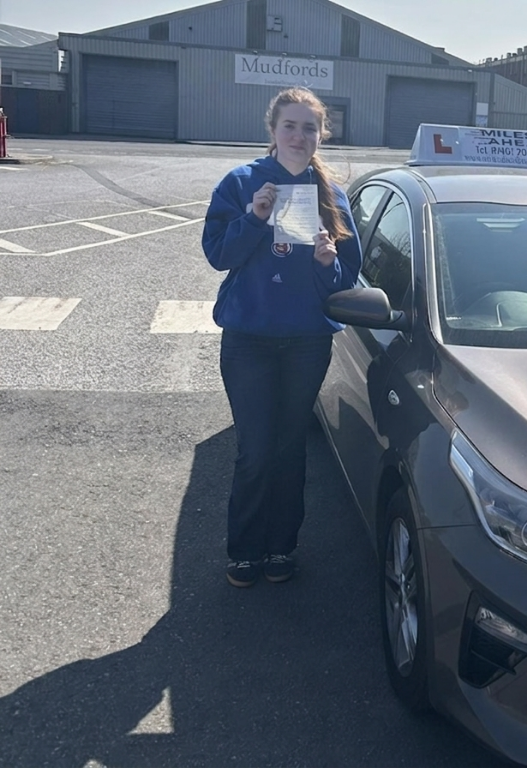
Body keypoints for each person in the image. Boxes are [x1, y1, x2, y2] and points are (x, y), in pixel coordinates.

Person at [202, 87, 362, 587]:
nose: (299, 136)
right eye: (290, 126)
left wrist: (326, 264)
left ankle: (281, 547)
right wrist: (253, 219)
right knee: (255, 448)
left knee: (291, 447)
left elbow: (346, 279)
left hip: (306, 341)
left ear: (322, 135)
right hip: (249, 339)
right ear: (272, 130)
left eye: (309, 127)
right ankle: (245, 550)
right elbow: (218, 255)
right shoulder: (243, 182)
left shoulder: (331, 195)